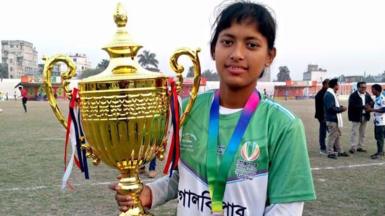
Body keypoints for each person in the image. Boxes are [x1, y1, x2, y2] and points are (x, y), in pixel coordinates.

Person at [111, 2, 316, 215]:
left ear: (269, 56)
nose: (237, 53)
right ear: (213, 49)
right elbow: (182, 178)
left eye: (252, 45)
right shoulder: (188, 109)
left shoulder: (283, 126)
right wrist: (149, 192)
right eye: (227, 41)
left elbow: (285, 209)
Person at [323, 78, 349, 159]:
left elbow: (333, 106)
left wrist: (340, 107)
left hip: (334, 119)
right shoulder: (329, 94)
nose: (338, 86)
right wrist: (341, 109)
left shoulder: (331, 93)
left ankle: (339, 151)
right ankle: (330, 152)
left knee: (336, 136)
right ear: (335, 85)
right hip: (332, 119)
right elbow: (330, 108)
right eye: (338, 84)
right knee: (332, 136)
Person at [347, 81, 373, 154]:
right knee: (354, 132)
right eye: (362, 87)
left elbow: (371, 102)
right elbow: (352, 106)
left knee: (363, 133)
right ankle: (353, 147)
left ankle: (360, 147)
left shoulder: (367, 95)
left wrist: (371, 104)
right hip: (356, 116)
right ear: (358, 87)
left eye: (365, 87)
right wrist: (363, 107)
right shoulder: (353, 95)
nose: (364, 88)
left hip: (365, 116)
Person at [366, 84, 385, 159]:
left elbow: (384, 109)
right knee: (378, 137)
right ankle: (380, 151)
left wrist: (372, 109)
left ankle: (379, 153)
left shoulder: (382, 98)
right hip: (377, 121)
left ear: (376, 90)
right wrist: (370, 108)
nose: (371, 91)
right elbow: (377, 107)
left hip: (381, 122)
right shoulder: (377, 98)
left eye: (372, 89)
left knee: (379, 138)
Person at [314, 79, 329, 155]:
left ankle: (331, 147)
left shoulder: (327, 93)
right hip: (323, 117)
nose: (329, 86)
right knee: (323, 133)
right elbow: (320, 108)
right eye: (328, 84)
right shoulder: (320, 94)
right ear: (324, 85)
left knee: (331, 133)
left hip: (327, 116)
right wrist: (322, 117)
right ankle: (322, 148)